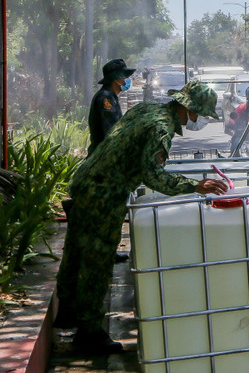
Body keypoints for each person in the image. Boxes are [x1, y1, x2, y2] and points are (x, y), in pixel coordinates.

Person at [53, 81, 229, 354]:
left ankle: (67, 313)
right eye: (200, 114)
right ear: (189, 109)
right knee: (97, 262)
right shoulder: (161, 128)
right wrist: (195, 185)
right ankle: (88, 334)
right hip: (104, 194)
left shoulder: (147, 109)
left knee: (75, 250)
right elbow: (153, 175)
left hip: (86, 180)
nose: (200, 120)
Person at [88, 59, 135, 156]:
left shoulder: (110, 97)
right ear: (116, 79)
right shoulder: (106, 98)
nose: (126, 80)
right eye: (124, 77)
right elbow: (111, 130)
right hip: (102, 155)